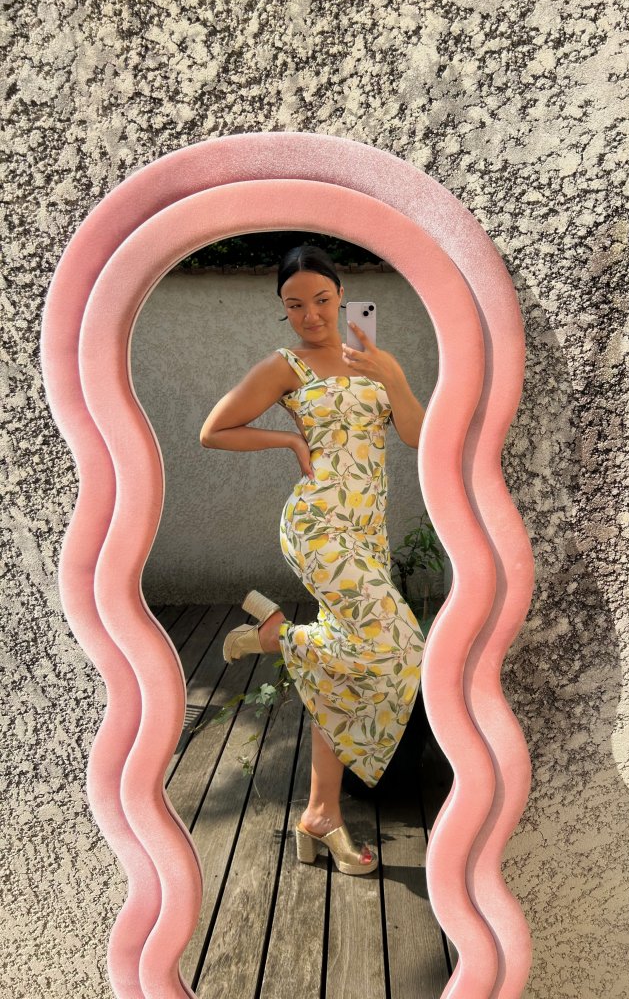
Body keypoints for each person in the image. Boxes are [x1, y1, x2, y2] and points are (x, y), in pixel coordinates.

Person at [199, 244, 427, 876]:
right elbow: (214, 430)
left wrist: (392, 375)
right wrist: (288, 438)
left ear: (341, 295)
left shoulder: (373, 359)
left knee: (343, 669)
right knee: (403, 645)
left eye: (322, 300)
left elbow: (416, 434)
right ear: (284, 309)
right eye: (294, 305)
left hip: (367, 531)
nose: (311, 315)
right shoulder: (285, 365)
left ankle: (321, 815)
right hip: (318, 526)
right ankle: (279, 637)